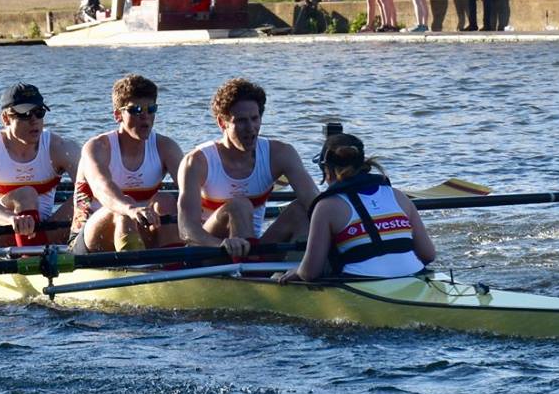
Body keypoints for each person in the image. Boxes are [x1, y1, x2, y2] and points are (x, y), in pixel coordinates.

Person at [176, 78, 318, 259]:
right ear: (222, 123)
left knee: (303, 209)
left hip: (255, 248)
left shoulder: (281, 153)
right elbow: (186, 229)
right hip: (210, 252)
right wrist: (221, 244)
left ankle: (303, 271)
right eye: (241, 121)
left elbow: (314, 202)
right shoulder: (197, 162)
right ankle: (255, 274)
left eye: (255, 118)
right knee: (239, 205)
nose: (250, 128)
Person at [275, 129, 436, 284]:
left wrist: (297, 271)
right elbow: (428, 254)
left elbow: (311, 273)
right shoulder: (398, 196)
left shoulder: (326, 207)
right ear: (363, 164)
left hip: (362, 283)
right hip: (414, 276)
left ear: (327, 170)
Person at [71, 74, 185, 254]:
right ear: (118, 115)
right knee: (122, 211)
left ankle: (176, 270)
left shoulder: (166, 147)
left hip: (139, 231)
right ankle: (141, 273)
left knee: (166, 201)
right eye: (136, 110)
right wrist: (130, 209)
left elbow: (195, 193)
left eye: (151, 109)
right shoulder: (97, 147)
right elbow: (102, 188)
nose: (145, 117)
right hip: (89, 240)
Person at [0, 83, 79, 247]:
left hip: (46, 231)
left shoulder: (62, 147)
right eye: (25, 114)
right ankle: (33, 258)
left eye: (39, 113)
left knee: (87, 194)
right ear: (5, 118)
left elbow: (92, 193)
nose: (34, 121)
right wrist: (12, 219)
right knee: (26, 195)